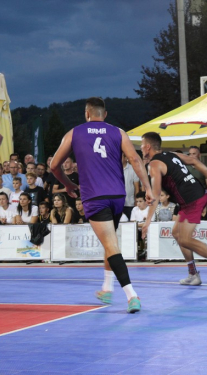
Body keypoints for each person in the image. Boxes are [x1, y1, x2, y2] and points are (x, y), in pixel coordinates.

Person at [50, 97, 153, 313]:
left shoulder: (74, 133)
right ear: (104, 114)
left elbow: (54, 165)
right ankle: (106, 288)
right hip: (117, 196)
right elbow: (135, 159)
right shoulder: (118, 132)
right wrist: (148, 188)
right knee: (110, 241)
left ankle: (131, 295)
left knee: (111, 246)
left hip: (95, 197)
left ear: (86, 114)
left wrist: (68, 184)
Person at [140, 131, 207, 287]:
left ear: (148, 147)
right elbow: (194, 161)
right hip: (192, 197)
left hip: (192, 200)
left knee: (185, 238)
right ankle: (193, 274)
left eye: (142, 145)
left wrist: (147, 221)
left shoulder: (154, 165)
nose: (141, 148)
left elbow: (156, 195)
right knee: (177, 233)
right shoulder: (170, 155)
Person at [122, 153, 140, 219]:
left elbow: (136, 186)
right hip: (118, 202)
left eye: (120, 156)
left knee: (130, 223)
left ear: (126, 158)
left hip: (130, 202)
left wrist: (136, 200)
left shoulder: (133, 169)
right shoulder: (114, 169)